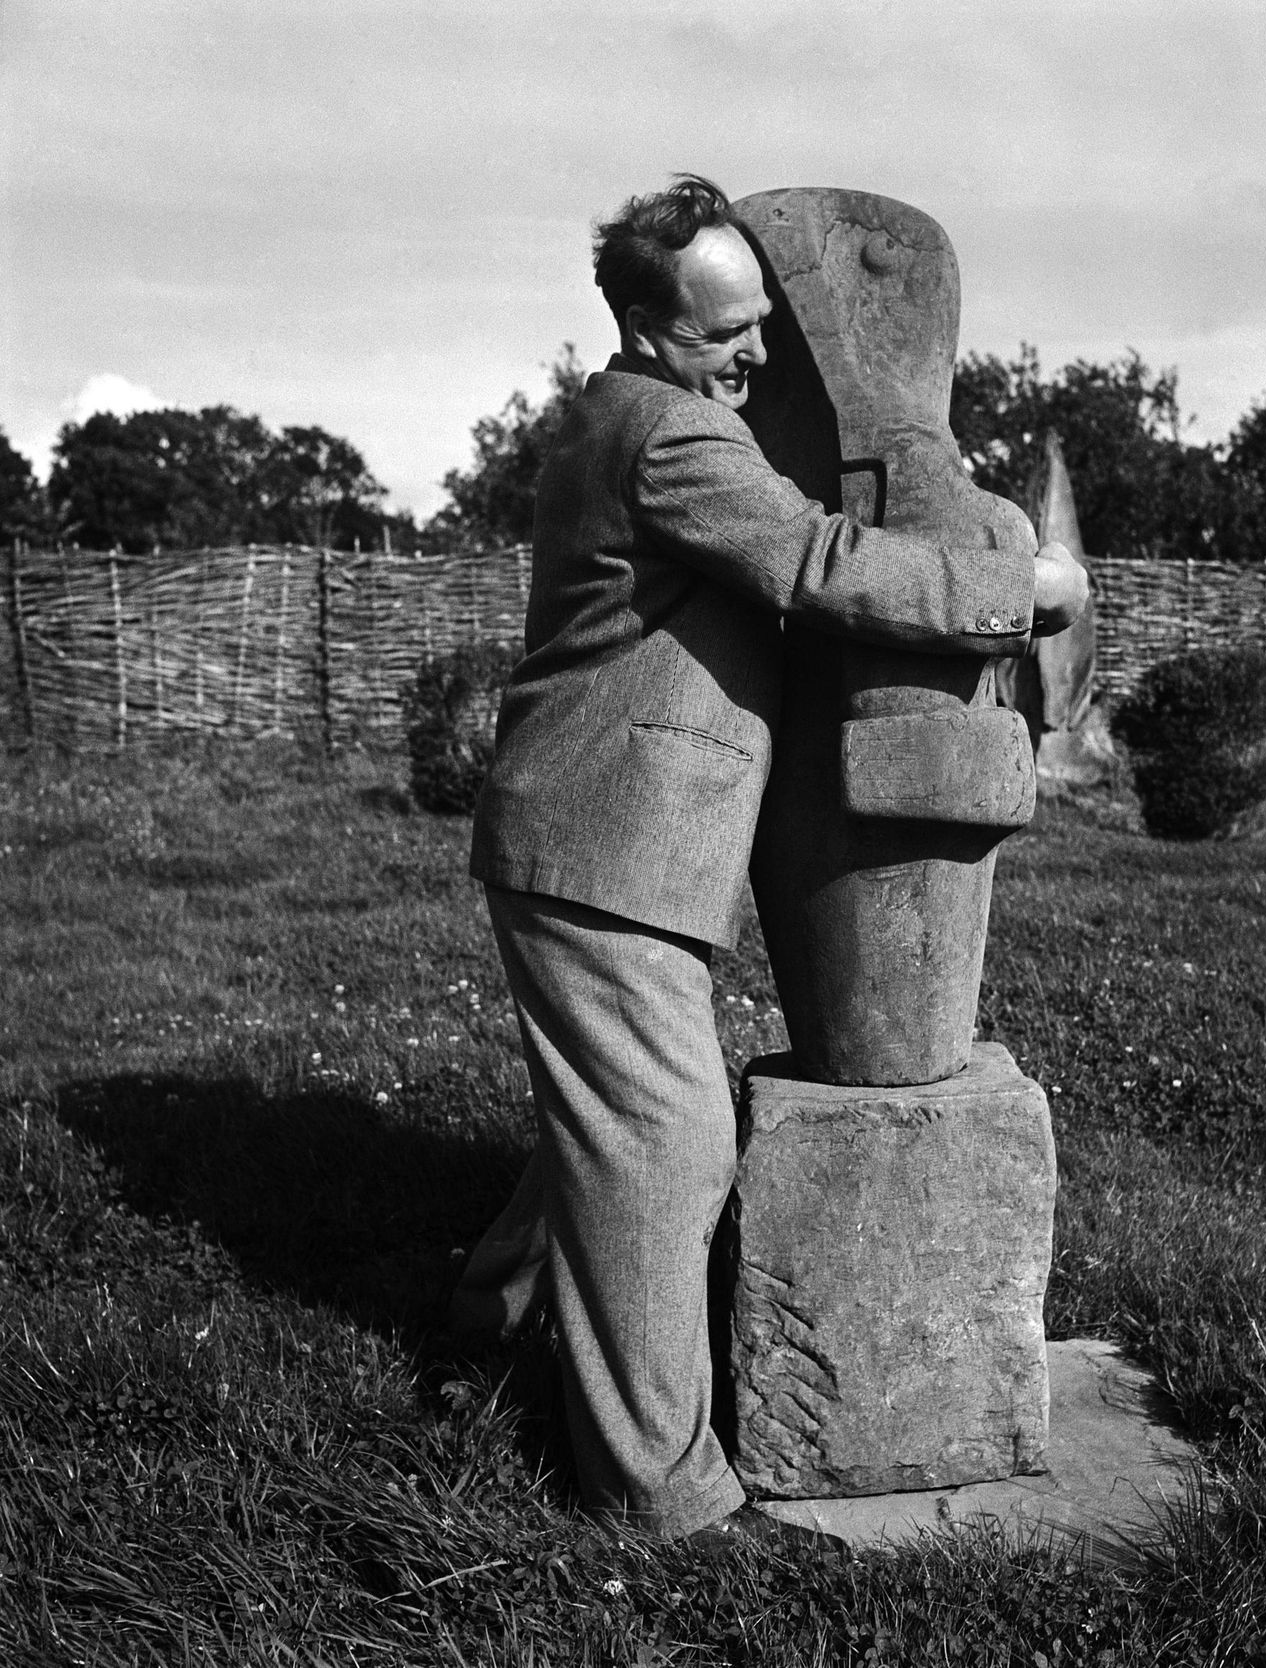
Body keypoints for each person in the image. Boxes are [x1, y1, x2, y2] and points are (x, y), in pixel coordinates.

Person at [460, 174, 1088, 1552]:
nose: (754, 353)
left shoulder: (636, 412)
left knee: (611, 1118)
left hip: (599, 836)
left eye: (760, 322)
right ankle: (661, 1499)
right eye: (723, 331)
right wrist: (1017, 590)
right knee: (666, 1152)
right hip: (602, 843)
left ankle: (489, 1324)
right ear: (643, 326)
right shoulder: (670, 436)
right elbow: (815, 561)